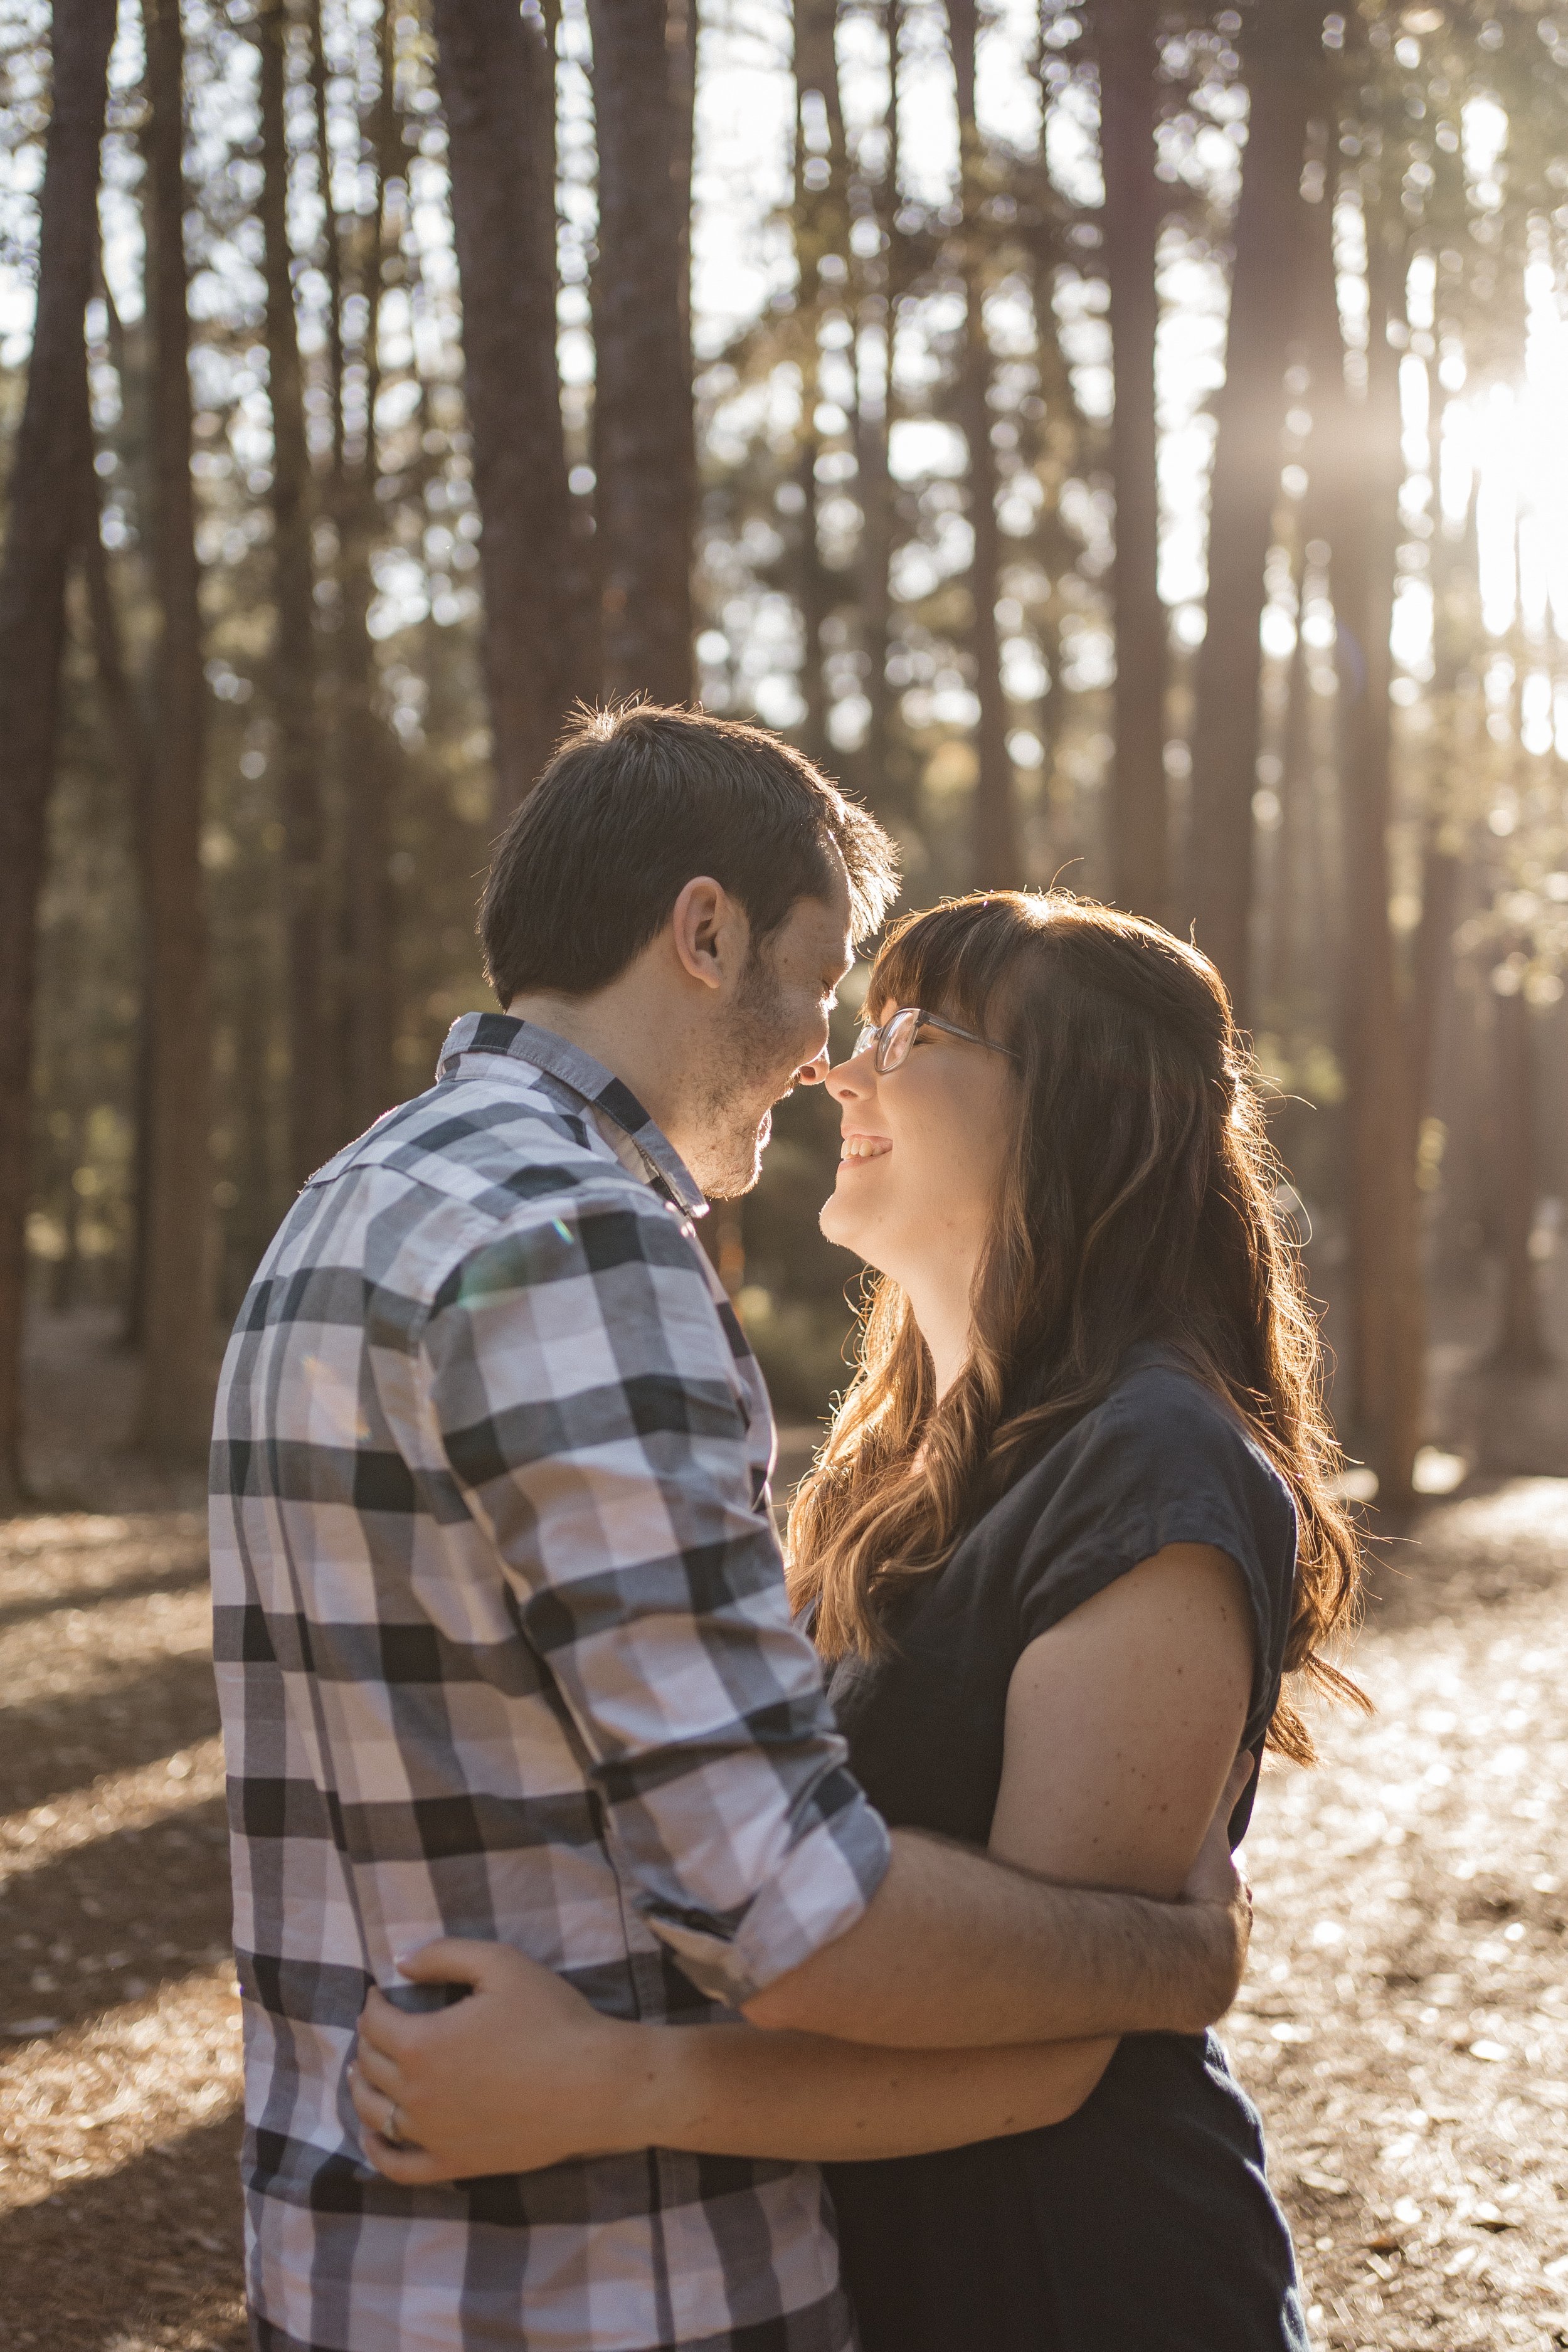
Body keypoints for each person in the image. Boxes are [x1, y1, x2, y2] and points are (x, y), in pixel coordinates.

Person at [212, 712, 1253, 2352]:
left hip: (378, 2260)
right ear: (704, 935)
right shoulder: (579, 1238)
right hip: (600, 2285)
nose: (831, 1052)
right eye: (828, 982)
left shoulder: (352, 1201)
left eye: (897, 1028)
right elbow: (783, 1906)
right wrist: (1169, 1962)